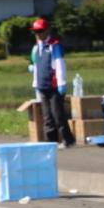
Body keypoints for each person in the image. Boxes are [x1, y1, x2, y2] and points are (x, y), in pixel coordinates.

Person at [28, 18, 76, 147]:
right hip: (42, 86)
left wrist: (62, 83)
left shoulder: (55, 45)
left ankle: (68, 140)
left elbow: (60, 65)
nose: (38, 34)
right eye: (36, 31)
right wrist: (35, 80)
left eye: (40, 31)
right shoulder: (36, 47)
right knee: (47, 117)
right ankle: (51, 142)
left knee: (58, 115)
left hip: (54, 86)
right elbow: (36, 65)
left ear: (47, 30)